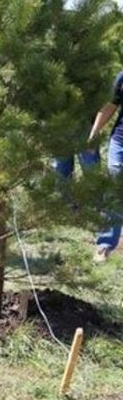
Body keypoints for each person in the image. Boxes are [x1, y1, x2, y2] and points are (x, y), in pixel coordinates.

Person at [84, 71, 123, 261]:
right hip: (120, 142)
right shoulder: (122, 77)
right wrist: (93, 134)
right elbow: (110, 106)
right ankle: (105, 243)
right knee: (114, 190)